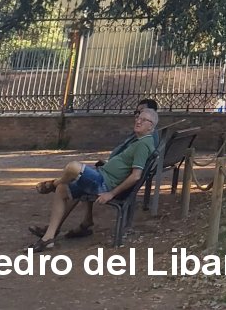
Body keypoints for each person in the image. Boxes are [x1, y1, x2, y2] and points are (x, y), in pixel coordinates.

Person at [31, 105, 158, 250]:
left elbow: (136, 176)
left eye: (143, 119)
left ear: (151, 126)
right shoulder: (141, 141)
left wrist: (111, 194)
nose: (138, 121)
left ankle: (53, 184)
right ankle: (49, 237)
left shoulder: (143, 144)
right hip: (102, 176)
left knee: (73, 167)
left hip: (104, 184)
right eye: (138, 117)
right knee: (62, 190)